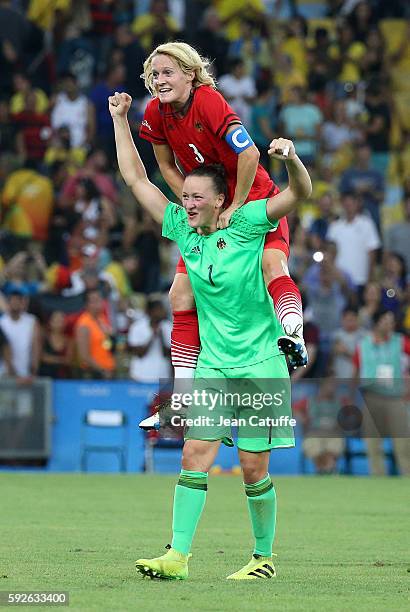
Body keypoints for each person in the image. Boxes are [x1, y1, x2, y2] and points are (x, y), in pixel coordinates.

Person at [109, 89, 312, 580]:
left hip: (262, 363)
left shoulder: (245, 223)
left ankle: (263, 559)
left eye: (198, 196)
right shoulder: (181, 227)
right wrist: (120, 120)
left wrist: (292, 160)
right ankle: (177, 557)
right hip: (215, 366)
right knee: (193, 456)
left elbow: (300, 195)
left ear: (221, 199)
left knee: (251, 469)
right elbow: (136, 176)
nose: (188, 203)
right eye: (185, 196)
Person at [137, 41, 306, 429]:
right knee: (179, 293)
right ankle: (180, 399)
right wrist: (193, 202)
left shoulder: (208, 101)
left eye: (168, 72)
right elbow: (164, 166)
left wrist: (234, 206)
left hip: (252, 199)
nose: (160, 81)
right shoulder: (155, 113)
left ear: (191, 74)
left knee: (270, 263)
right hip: (211, 208)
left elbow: (249, 156)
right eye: (154, 75)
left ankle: (294, 336)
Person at [352, 309, 410, 476]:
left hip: (395, 398)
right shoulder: (363, 345)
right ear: (377, 323)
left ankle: (407, 479)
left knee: (403, 444)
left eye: (392, 321)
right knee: (372, 444)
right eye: (386, 321)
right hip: (370, 397)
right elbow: (356, 371)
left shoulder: (401, 342)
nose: (390, 324)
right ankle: (378, 481)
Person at [128, 298, 172, 383]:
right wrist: (152, 337)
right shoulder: (137, 327)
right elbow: (139, 353)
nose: (162, 312)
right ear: (151, 311)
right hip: (140, 375)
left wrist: (161, 336)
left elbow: (168, 354)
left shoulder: (168, 327)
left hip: (162, 376)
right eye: (159, 309)